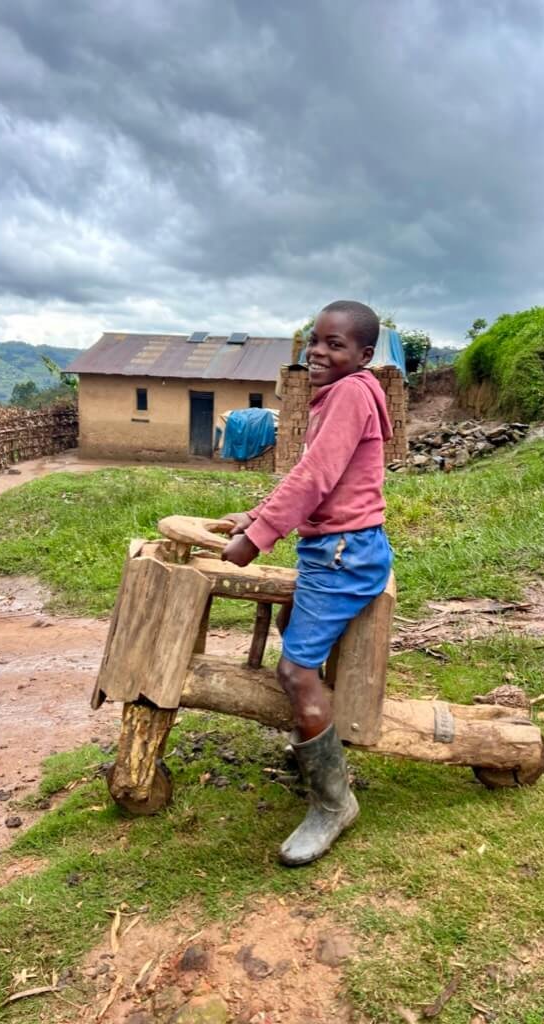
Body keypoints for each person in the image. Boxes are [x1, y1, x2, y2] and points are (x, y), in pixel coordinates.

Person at [220, 299, 394, 866]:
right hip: (337, 547)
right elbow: (308, 473)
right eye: (313, 341)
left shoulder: (348, 395)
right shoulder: (343, 393)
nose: (318, 352)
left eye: (334, 344)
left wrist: (257, 538)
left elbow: (316, 479)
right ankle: (315, 742)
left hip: (344, 553)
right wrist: (256, 513)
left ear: (364, 355)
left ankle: (332, 802)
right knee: (298, 639)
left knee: (294, 670)